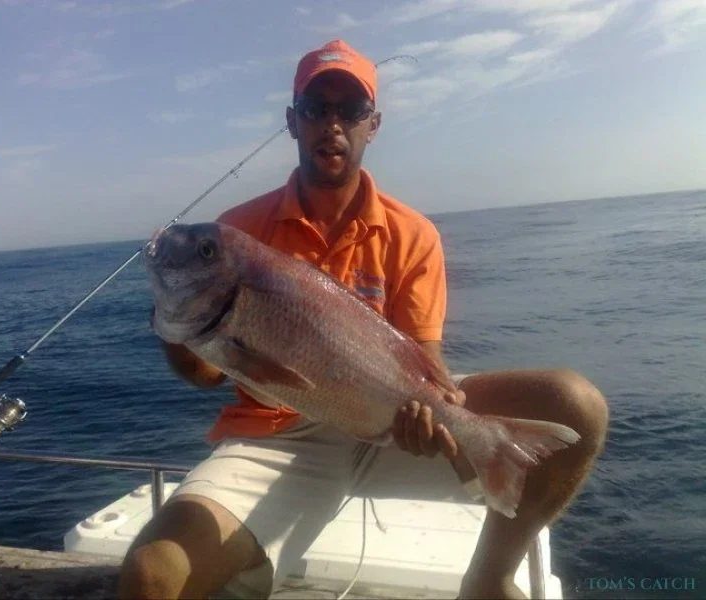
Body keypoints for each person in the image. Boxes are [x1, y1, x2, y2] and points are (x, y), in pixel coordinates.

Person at [119, 39, 609, 600]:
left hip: (390, 415)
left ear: (372, 125)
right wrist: (173, 323)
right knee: (152, 577)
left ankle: (488, 580)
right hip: (279, 436)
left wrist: (437, 421)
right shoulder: (236, 233)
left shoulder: (413, 233)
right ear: (292, 121)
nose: (333, 124)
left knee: (575, 404)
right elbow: (206, 375)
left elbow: (425, 362)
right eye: (316, 108)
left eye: (350, 110)